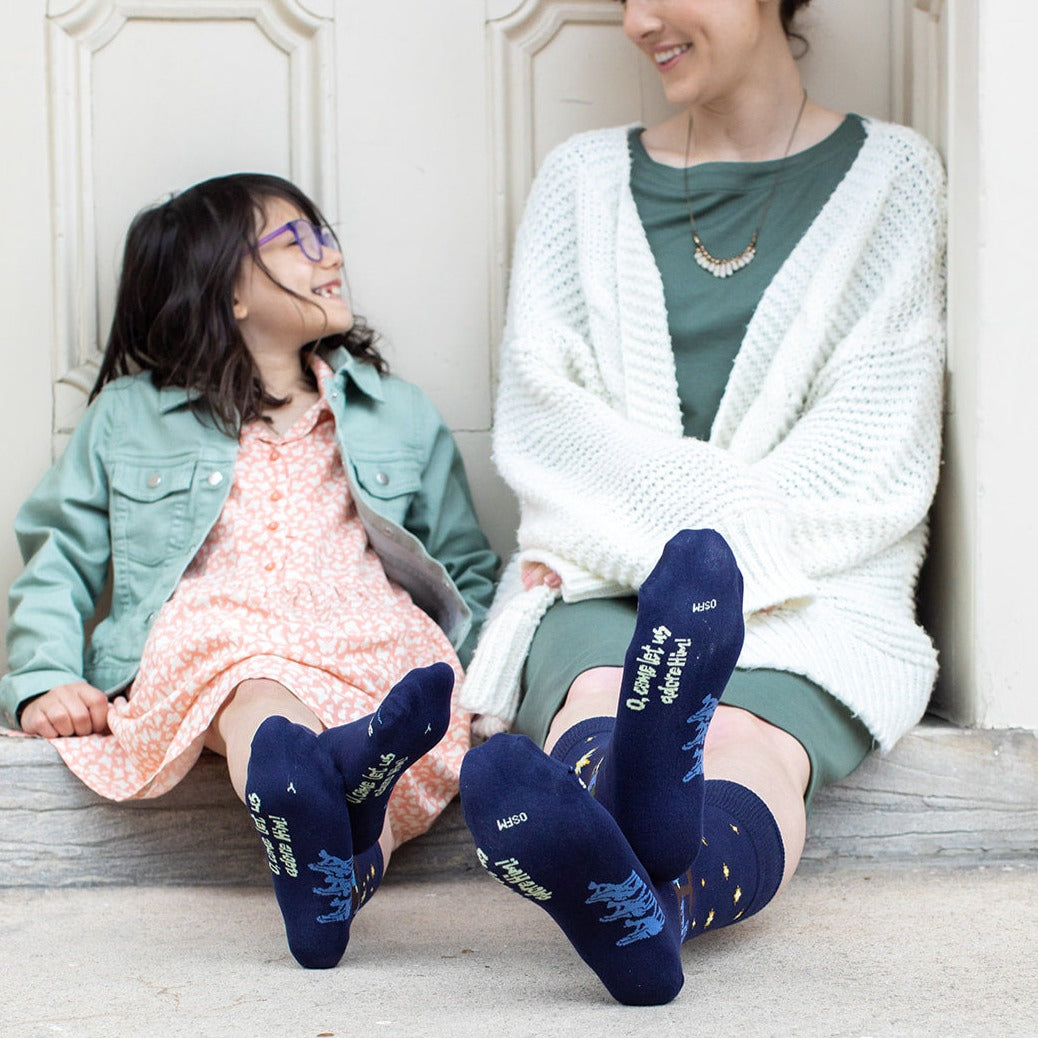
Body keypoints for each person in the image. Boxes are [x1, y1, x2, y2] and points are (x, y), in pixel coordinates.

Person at [458, 0, 945, 1006]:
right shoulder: (580, 182)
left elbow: (877, 447)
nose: (637, 20)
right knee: (598, 694)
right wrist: (684, 553)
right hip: (598, 570)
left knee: (754, 749)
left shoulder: (894, 180)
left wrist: (721, 564)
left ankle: (645, 903)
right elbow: (545, 424)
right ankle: (659, 907)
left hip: (811, 585)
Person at [0, 173, 499, 969]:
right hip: (215, 631)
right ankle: (311, 783)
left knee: (422, 692)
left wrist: (493, 682)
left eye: (324, 233)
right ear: (225, 291)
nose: (326, 252)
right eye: (292, 241)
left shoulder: (394, 410)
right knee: (257, 688)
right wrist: (42, 677)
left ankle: (339, 856)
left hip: (366, 626)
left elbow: (465, 564)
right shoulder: (132, 415)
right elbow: (60, 555)